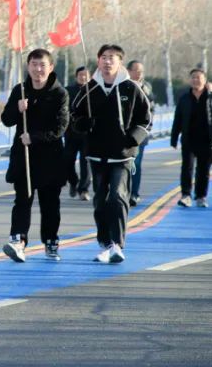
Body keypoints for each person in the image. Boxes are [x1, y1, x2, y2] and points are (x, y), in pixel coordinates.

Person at [71, 44, 152, 264]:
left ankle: (117, 244)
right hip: (97, 154)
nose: (107, 62)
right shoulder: (89, 89)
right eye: (104, 57)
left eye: (112, 58)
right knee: (100, 200)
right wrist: (83, 124)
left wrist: (131, 139)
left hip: (122, 155)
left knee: (117, 196)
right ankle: (105, 243)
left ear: (120, 62)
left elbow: (146, 119)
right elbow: (74, 116)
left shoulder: (131, 88)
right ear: (98, 61)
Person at [0, 48, 70, 263]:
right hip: (24, 157)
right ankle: (18, 241)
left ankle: (51, 241)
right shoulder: (20, 90)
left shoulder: (59, 94)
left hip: (50, 158)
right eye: (34, 64)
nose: (38, 69)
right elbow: (6, 119)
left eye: (42, 65)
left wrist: (35, 137)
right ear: (28, 66)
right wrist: (17, 109)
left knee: (50, 204)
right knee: (22, 200)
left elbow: (61, 127)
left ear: (50, 67)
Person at [170, 68, 212, 207]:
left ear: (205, 80)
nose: (195, 80)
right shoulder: (184, 98)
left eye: (198, 77)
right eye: (193, 77)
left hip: (208, 139)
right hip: (189, 139)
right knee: (187, 168)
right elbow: (178, 119)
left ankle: (201, 196)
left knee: (203, 170)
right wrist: (174, 137)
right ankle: (186, 195)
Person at [126, 60, 155, 207]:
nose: (139, 73)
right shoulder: (122, 86)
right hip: (123, 134)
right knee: (123, 165)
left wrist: (144, 132)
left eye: (141, 71)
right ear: (128, 71)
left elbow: (151, 113)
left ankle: (134, 194)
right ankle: (122, 192)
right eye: (136, 70)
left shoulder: (146, 89)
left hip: (139, 135)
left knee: (135, 164)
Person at [64, 67, 92, 201]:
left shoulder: (93, 91)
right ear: (76, 77)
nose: (83, 77)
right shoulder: (68, 91)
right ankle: (73, 182)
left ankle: (83, 189)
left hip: (87, 134)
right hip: (71, 132)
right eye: (81, 75)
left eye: (86, 75)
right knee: (67, 161)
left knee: (85, 163)